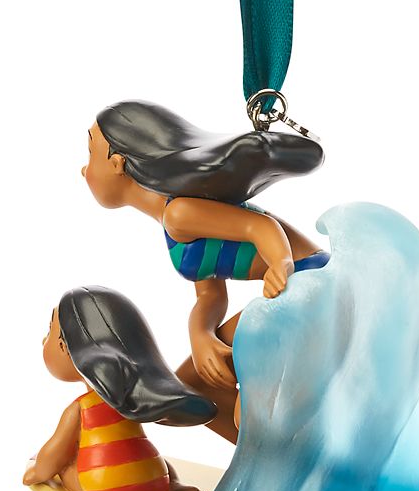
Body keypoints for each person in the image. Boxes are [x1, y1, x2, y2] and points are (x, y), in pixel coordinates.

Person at [83, 100, 327, 443]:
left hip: (309, 281)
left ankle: (281, 452)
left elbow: (262, 228)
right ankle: (260, 457)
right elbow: (210, 294)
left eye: (90, 152)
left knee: (250, 411)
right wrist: (201, 336)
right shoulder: (175, 216)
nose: (84, 170)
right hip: (295, 286)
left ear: (117, 163)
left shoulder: (179, 214)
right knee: (192, 386)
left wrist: (281, 263)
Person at [22, 285, 214, 491]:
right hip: (152, 479)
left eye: (49, 332)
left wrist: (38, 470)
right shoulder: (130, 398)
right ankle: (173, 489)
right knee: (157, 463)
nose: (43, 339)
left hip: (105, 488)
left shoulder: (80, 409)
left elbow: (56, 451)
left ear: (65, 347)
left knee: (64, 465)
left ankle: (156, 490)